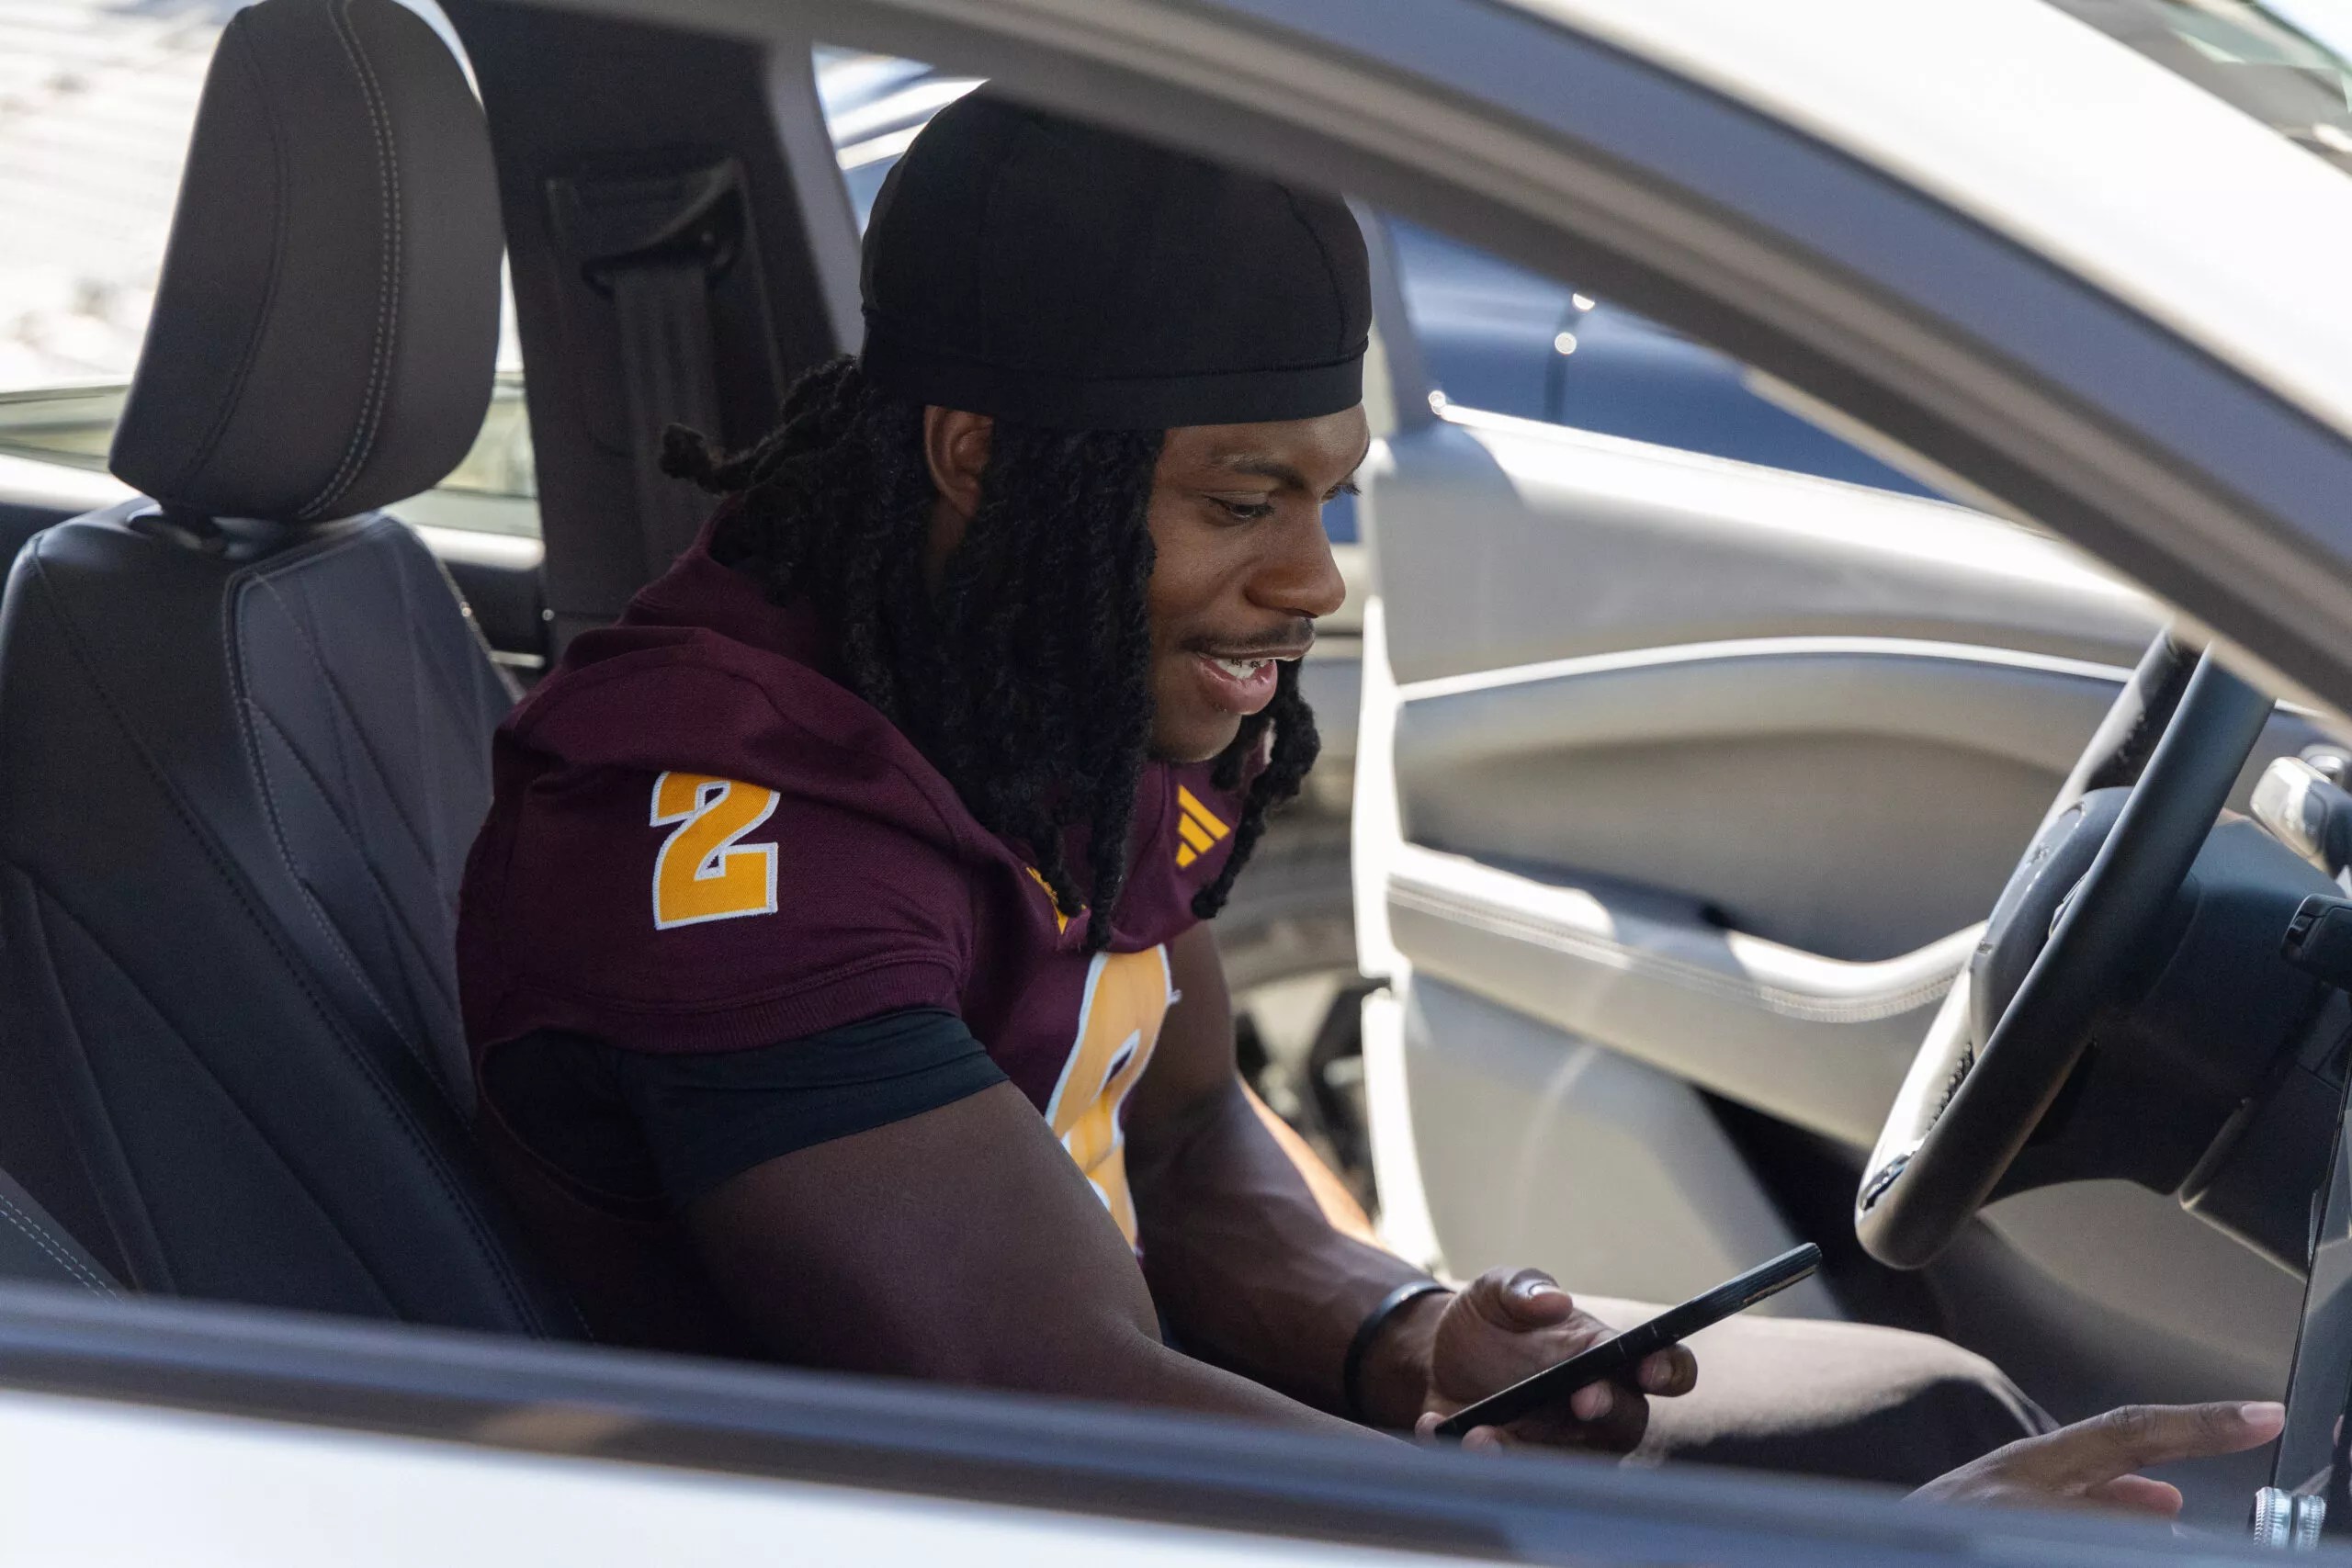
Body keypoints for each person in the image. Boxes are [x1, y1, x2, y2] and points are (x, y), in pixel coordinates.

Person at [456, 88, 2280, 1510]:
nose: (1313, 578)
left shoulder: (1014, 698)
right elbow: (1062, 1409)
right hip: (945, 1507)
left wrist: (1397, 1329)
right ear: (979, 461)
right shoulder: (723, 849)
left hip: (1114, 1453)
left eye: (1322, 498)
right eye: (1242, 499)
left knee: (1920, 1402)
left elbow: (1170, 1144)